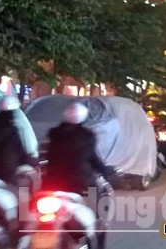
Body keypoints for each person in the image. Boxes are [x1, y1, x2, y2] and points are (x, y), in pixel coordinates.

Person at [44, 101, 111, 249]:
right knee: (99, 218)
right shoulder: (86, 137)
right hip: (81, 185)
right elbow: (94, 160)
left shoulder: (54, 135)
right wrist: (107, 172)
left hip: (51, 185)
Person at [0, 95, 38, 184]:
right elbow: (26, 145)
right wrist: (31, 160)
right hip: (13, 172)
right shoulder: (18, 124)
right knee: (24, 192)